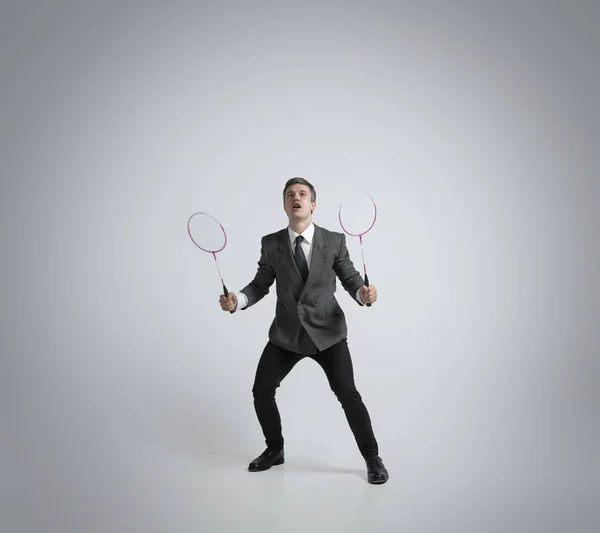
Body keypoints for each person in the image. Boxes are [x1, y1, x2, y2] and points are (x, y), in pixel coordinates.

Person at [219, 177, 389, 485]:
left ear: (313, 204)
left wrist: (361, 294)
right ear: (285, 205)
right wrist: (238, 300)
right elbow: (260, 284)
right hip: (287, 335)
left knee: (348, 394)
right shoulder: (271, 243)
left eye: (302, 194)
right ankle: (275, 449)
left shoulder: (334, 241)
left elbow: (350, 277)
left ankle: (372, 457)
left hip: (328, 333)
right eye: (289, 195)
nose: (295, 198)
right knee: (262, 391)